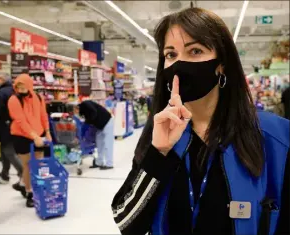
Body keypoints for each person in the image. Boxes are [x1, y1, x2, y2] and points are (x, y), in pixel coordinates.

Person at [111, 8, 289, 235]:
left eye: (195, 51)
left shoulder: (274, 137)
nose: (179, 64)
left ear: (221, 64)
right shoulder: (160, 132)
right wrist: (158, 154)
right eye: (170, 55)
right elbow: (127, 223)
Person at [8, 73, 52, 208]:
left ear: (29, 86)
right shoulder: (14, 100)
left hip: (39, 132)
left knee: (39, 162)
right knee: (27, 164)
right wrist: (35, 137)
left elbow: (43, 115)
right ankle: (29, 193)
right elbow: (20, 121)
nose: (20, 90)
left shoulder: (38, 98)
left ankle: (36, 186)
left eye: (23, 88)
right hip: (21, 135)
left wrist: (47, 132)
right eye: (18, 88)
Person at [74, 100, 114, 170]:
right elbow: (86, 123)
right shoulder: (82, 112)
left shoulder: (86, 104)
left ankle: (109, 164)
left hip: (107, 122)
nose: (75, 112)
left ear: (77, 107)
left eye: (75, 110)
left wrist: (89, 122)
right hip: (99, 126)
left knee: (108, 144)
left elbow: (93, 112)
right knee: (99, 144)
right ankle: (99, 162)